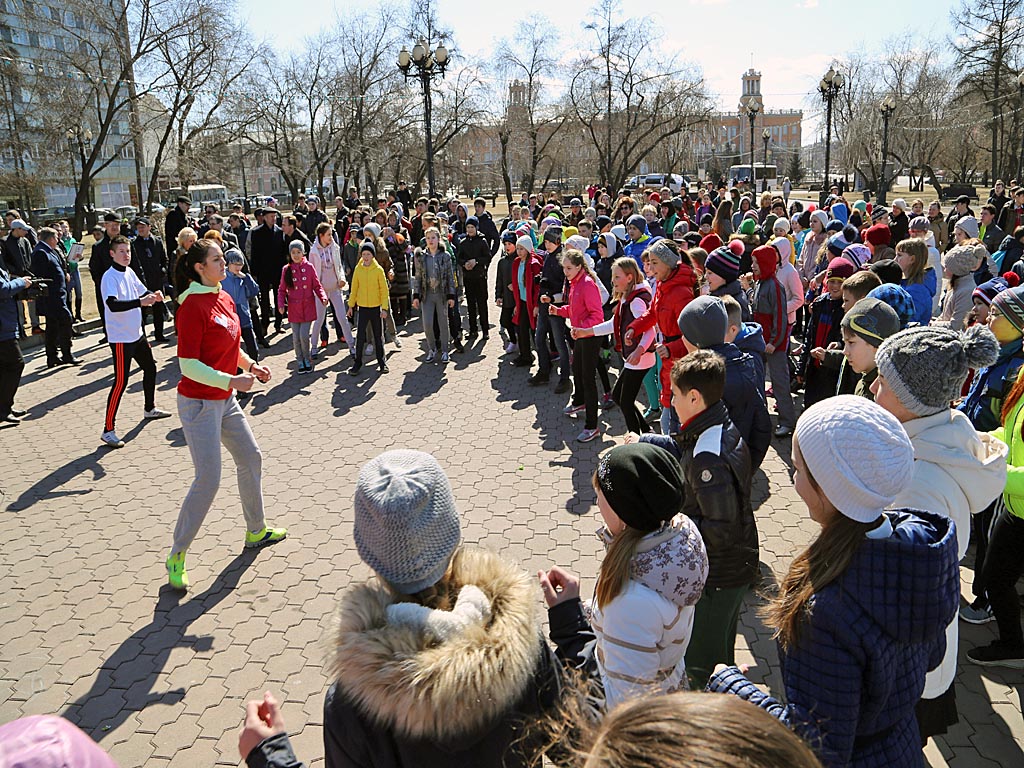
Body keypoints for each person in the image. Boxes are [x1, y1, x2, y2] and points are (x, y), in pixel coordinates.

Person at [708, 396, 960, 768]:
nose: (793, 482)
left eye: (796, 469)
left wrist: (733, 691)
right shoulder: (920, 548)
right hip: (903, 745)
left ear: (828, 486)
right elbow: (932, 654)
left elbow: (818, 752)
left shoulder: (825, 609)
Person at [322, 449, 561, 766]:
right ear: (452, 531)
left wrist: (271, 756)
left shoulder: (352, 700)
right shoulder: (523, 642)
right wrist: (572, 629)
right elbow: (574, 742)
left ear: (366, 551)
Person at [870, 324, 1005, 741]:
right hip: (922, 655)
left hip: (908, 665)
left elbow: (907, 592)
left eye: (885, 382)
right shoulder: (943, 434)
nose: (874, 386)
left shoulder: (917, 482)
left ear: (914, 401)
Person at [541, 442, 708, 708]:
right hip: (668, 685)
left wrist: (569, 621)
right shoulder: (678, 534)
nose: (596, 502)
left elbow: (620, 704)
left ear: (625, 514)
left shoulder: (630, 600)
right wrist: (588, 611)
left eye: (601, 496)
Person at [629, 350, 755, 689]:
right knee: (721, 651)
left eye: (673, 392)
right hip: (734, 568)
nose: (668, 397)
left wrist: (667, 534)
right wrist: (646, 441)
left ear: (694, 398)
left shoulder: (708, 458)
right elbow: (683, 446)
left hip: (718, 576)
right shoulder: (716, 423)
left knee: (703, 666)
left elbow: (720, 530)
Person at [167, 238, 285, 591]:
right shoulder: (190, 307)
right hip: (199, 403)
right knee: (208, 478)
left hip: (225, 398)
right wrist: (233, 379)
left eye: (223, 258)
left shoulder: (224, 295)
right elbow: (187, 365)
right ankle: (177, 555)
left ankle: (256, 530)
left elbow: (230, 346)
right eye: (216, 260)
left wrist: (252, 365)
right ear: (199, 267)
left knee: (250, 458)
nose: (224, 263)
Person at [677, 296, 771, 468]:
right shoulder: (744, 365)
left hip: (705, 473)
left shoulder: (701, 382)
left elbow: (685, 441)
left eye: (684, 334)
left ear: (696, 341)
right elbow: (762, 426)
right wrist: (747, 468)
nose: (681, 339)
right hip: (733, 465)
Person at [99, 235, 172, 448]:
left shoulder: (129, 272)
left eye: (128, 251)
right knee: (120, 382)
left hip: (137, 334)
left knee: (150, 368)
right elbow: (112, 305)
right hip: (121, 338)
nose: (126, 255)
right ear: (112, 253)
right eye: (121, 251)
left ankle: (149, 408)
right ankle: (108, 430)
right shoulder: (109, 277)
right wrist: (140, 302)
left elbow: (143, 291)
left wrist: (154, 294)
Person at [573, 256, 654, 435]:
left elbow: (650, 330)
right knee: (619, 396)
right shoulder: (628, 296)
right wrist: (586, 331)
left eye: (617, 277)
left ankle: (638, 441)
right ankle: (646, 430)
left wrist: (639, 350)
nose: (613, 281)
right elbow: (614, 324)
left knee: (625, 401)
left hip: (639, 359)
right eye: (613, 276)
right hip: (632, 358)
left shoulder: (637, 301)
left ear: (630, 277)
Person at [624, 240, 697, 435]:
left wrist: (672, 348)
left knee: (673, 413)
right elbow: (653, 313)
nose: (650, 267)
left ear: (668, 263)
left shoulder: (681, 292)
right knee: (668, 406)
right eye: (649, 263)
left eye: (654, 262)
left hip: (678, 359)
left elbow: (692, 335)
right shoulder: (664, 285)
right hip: (667, 354)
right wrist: (634, 328)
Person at [548, 249, 605, 443]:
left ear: (579, 266)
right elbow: (574, 310)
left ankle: (592, 426)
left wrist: (581, 329)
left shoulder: (587, 284)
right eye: (564, 267)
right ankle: (579, 402)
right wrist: (559, 311)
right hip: (580, 334)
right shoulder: (574, 282)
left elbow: (597, 316)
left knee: (588, 379)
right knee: (578, 371)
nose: (565, 271)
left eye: (569, 268)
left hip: (590, 336)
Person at [750, 245, 796, 437]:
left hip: (772, 346)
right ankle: (761, 419)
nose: (752, 266)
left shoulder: (775, 286)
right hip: (760, 342)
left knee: (780, 382)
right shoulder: (759, 283)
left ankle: (787, 421)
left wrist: (774, 342)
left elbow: (780, 317)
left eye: (755, 263)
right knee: (757, 380)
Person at [799, 257, 855, 409]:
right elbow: (809, 336)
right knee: (810, 404)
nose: (835, 286)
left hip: (832, 368)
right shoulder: (819, 304)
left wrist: (839, 344)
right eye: (832, 281)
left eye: (840, 282)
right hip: (814, 366)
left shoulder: (848, 309)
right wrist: (802, 365)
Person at [531, 226, 572, 392]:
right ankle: (544, 370)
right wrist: (540, 279)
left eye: (549, 242)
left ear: (557, 241)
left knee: (560, 342)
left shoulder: (564, 259)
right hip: (543, 305)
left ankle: (565, 378)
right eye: (545, 242)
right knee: (539, 338)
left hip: (556, 307)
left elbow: (565, 287)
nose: (546, 245)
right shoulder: (548, 256)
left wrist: (552, 294)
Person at [30, 227, 77, 368]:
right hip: (52, 298)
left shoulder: (51, 250)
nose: (58, 240)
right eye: (56, 237)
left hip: (58, 295)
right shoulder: (40, 252)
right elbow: (41, 277)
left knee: (52, 327)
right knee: (65, 321)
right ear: (50, 238)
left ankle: (53, 357)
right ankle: (66, 354)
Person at [278, 241, 327, 374]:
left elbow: (317, 285)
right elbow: (282, 290)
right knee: (296, 337)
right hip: (294, 308)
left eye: (298, 252)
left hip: (307, 307)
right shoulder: (286, 270)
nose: (296, 255)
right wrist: (281, 304)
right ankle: (299, 359)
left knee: (304, 335)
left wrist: (322, 297)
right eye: (293, 252)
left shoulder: (309, 267)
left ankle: (307, 358)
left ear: (303, 252)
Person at [838, 298, 901, 400]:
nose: (845, 351)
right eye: (844, 343)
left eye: (851, 342)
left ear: (877, 345)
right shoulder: (862, 383)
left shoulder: (884, 398)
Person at [309, 222, 354, 359]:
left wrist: (341, 279)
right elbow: (313, 272)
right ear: (321, 236)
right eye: (328, 235)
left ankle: (352, 345)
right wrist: (317, 289)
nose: (331, 237)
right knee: (319, 320)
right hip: (321, 291)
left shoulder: (334, 247)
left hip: (335, 288)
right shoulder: (313, 251)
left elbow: (339, 266)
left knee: (342, 318)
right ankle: (314, 347)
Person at [413, 227, 457, 364]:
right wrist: (416, 295)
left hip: (441, 295)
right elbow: (418, 277)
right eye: (428, 238)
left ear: (438, 239)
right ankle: (432, 349)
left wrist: (451, 295)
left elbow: (450, 277)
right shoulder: (422, 257)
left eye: (433, 238)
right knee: (427, 324)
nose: (431, 241)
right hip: (427, 296)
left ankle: (445, 351)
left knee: (443, 323)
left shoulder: (445, 256)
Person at [348, 239, 390, 375]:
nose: (366, 257)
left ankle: (382, 362)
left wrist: (384, 308)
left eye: (368, 254)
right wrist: (350, 306)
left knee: (378, 336)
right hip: (363, 308)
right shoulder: (358, 269)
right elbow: (354, 288)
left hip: (376, 308)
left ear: (373, 255)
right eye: (364, 254)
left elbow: (384, 290)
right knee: (360, 336)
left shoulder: (378, 270)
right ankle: (357, 362)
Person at [0, 260, 31, 424]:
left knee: (6, 367)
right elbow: (3, 289)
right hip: (3, 329)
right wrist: (21, 283)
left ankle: (5, 406)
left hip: (6, 325)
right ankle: (3, 409)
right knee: (16, 363)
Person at [130, 217, 170, 343]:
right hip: (141, 282)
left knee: (158, 308)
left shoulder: (157, 242)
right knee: (142, 311)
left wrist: (163, 269)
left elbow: (164, 259)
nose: (140, 229)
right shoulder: (134, 244)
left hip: (156, 280)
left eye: (143, 226)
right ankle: (142, 338)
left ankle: (159, 334)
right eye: (138, 227)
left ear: (149, 227)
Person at [456, 216, 491, 343]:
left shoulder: (482, 241)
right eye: (468, 227)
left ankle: (485, 330)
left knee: (482, 304)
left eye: (472, 227)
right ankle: (473, 330)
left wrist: (476, 261)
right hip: (468, 278)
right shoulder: (463, 242)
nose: (470, 230)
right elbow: (459, 258)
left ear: (476, 228)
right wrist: (464, 263)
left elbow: (487, 257)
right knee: (470, 305)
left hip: (480, 277)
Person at [511, 234, 544, 370]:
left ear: (528, 249)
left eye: (522, 249)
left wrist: (536, 304)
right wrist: (516, 304)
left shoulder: (534, 264)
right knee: (521, 328)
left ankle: (543, 358)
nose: (519, 252)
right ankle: (525, 355)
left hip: (531, 302)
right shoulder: (517, 262)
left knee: (534, 330)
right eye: (517, 248)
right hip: (522, 301)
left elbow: (537, 287)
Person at [222, 251, 262, 363]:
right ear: (228, 263)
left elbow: (254, 290)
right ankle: (237, 371)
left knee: (252, 347)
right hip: (229, 316)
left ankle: (255, 366)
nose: (238, 267)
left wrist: (246, 279)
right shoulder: (222, 278)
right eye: (236, 264)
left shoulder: (243, 278)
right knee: (234, 347)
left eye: (241, 264)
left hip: (244, 316)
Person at [936, 243, 982, 330]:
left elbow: (956, 326)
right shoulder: (956, 286)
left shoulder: (966, 292)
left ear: (957, 270)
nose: (944, 270)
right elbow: (945, 315)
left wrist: (933, 325)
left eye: (947, 267)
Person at [495, 231, 518, 354]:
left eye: (510, 243)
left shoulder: (519, 260)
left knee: (519, 322)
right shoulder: (502, 262)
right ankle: (513, 341)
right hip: (507, 298)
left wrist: (516, 286)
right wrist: (498, 295)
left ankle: (521, 344)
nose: (507, 246)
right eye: (505, 244)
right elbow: (499, 280)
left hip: (519, 298)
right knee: (505, 321)